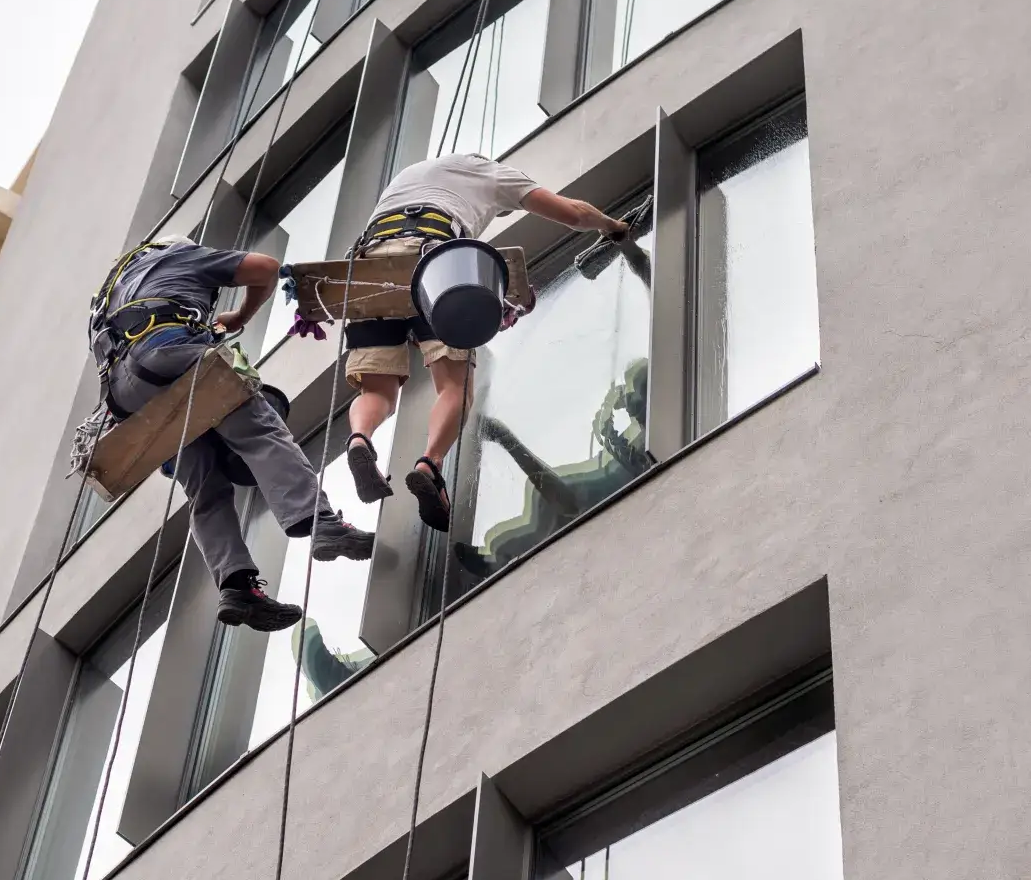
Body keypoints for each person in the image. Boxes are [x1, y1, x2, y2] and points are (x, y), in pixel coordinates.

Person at [337, 153, 631, 530]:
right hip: (432, 264)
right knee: (454, 387)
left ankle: (360, 439)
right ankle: (429, 464)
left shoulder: (410, 175)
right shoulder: (494, 172)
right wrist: (613, 226)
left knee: (377, 391)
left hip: (368, 269)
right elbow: (573, 213)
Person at [91, 237, 372, 631]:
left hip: (127, 396)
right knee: (259, 431)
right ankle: (320, 522)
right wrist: (240, 316)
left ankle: (237, 587)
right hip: (168, 352)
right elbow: (266, 269)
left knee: (203, 484)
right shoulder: (179, 256)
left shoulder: (110, 294)